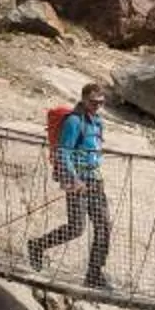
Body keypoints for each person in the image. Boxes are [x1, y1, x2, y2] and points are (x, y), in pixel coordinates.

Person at [28, 81, 114, 288]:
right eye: (93, 102)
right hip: (77, 181)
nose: (97, 106)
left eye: (101, 103)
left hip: (95, 179)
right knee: (76, 228)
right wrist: (74, 179)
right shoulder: (74, 122)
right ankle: (37, 246)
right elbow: (63, 151)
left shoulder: (97, 121)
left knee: (103, 226)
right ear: (84, 99)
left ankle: (94, 274)